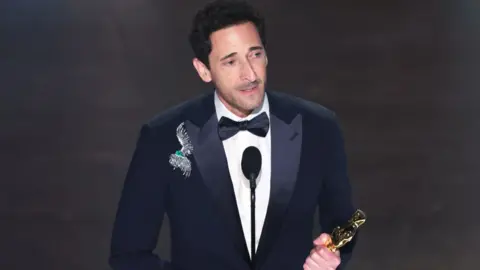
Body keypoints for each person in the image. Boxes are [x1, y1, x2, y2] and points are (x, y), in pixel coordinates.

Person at [109, 0, 359, 269]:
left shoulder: (318, 127)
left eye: (255, 54)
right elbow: (128, 255)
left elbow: (343, 224)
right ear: (204, 70)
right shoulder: (163, 138)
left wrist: (332, 257)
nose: (249, 74)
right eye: (231, 62)